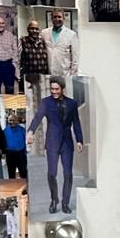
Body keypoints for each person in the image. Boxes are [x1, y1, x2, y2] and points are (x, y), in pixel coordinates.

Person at [28, 75, 83, 214]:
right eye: (52, 89)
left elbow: (76, 122)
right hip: (52, 142)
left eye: (56, 89)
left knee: (68, 174)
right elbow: (37, 118)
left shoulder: (72, 103)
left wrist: (79, 140)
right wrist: (30, 132)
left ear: (62, 89)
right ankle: (54, 200)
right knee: (52, 173)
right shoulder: (46, 102)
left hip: (67, 143)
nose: (54, 92)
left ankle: (65, 203)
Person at [19, 17, 50, 96]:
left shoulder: (43, 41)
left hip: (43, 78)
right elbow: (18, 60)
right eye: (32, 28)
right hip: (29, 79)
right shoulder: (23, 41)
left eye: (36, 29)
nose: (34, 31)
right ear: (28, 29)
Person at [46, 8, 79, 76]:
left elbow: (75, 58)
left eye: (59, 17)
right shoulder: (44, 33)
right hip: (49, 74)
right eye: (54, 17)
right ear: (51, 18)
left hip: (65, 74)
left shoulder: (72, 34)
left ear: (64, 18)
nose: (57, 19)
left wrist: (72, 76)